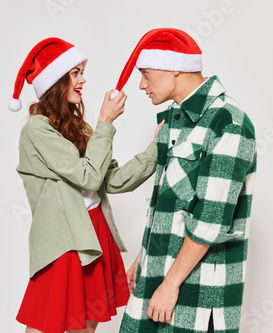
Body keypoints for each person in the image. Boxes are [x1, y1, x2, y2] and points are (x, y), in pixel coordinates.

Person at [109, 28, 257, 333]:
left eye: (146, 73)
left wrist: (171, 284)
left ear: (174, 66)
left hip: (197, 288)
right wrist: (144, 256)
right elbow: (169, 202)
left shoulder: (228, 121)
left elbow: (210, 219)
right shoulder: (174, 119)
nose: (141, 84)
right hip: (159, 271)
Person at [8, 37, 161, 333]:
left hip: (95, 230)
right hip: (63, 238)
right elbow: (88, 177)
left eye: (81, 72)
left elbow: (112, 181)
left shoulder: (77, 127)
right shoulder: (37, 129)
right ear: (55, 81)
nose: (83, 79)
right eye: (75, 73)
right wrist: (106, 122)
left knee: (86, 326)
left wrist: (156, 148)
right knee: (46, 324)